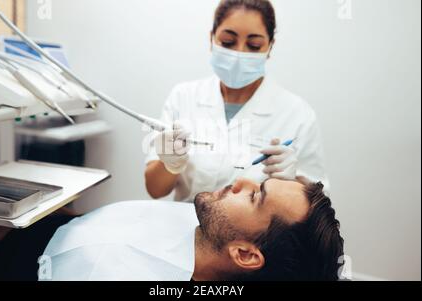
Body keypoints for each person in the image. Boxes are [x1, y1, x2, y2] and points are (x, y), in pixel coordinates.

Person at [145, 0, 330, 203]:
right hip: (187, 227)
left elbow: (318, 205)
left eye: (254, 45)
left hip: (255, 235)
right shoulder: (183, 96)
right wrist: (170, 163)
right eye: (227, 42)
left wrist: (295, 181)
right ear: (211, 38)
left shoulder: (297, 114)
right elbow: (155, 190)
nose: (239, 54)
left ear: (270, 47)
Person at [41, 178, 344, 281]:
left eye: (255, 196)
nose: (240, 181)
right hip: (51, 225)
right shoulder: (209, 228)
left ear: (245, 255)